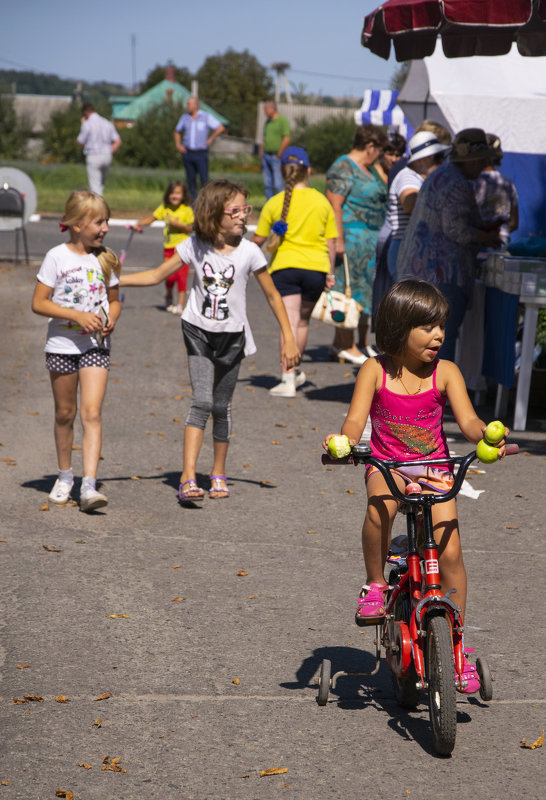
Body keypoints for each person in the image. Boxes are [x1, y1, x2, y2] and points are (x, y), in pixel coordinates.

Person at [323, 279, 508, 694]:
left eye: (441, 326)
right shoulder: (375, 370)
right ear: (398, 328)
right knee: (379, 509)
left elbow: (469, 421)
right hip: (387, 465)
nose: (438, 335)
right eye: (427, 327)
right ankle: (375, 583)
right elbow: (355, 420)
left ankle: (456, 645)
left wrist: (486, 434)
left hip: (433, 469)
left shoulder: (447, 372)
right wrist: (347, 442)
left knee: (451, 551)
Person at [119, 179, 300, 501]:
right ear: (214, 213)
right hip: (198, 332)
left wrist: (288, 337)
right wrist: (115, 279)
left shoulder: (250, 251)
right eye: (236, 210)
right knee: (202, 401)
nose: (244, 215)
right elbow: (157, 275)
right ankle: (188, 476)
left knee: (221, 405)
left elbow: (272, 296)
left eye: (246, 208)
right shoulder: (194, 245)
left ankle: (218, 471)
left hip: (233, 338)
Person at [31, 190, 122, 512]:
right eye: (99, 222)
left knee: (92, 413)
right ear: (77, 224)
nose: (105, 228)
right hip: (62, 345)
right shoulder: (57, 256)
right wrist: (76, 315)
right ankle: (65, 476)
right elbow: (38, 303)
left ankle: (88, 485)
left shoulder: (106, 258)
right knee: (65, 414)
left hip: (96, 346)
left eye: (107, 221)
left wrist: (112, 318)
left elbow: (114, 299)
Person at [397, 128, 502, 361]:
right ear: (473, 160)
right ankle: (434, 394)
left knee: (413, 337)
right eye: (483, 160)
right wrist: (485, 237)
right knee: (439, 338)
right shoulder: (459, 183)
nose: (486, 164)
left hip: (416, 267)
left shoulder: (439, 174)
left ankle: (406, 392)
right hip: (443, 274)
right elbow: (456, 230)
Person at [252, 146, 337, 397]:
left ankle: (287, 378)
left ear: (282, 172)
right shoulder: (322, 201)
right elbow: (331, 243)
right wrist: (330, 274)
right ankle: (295, 370)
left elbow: (258, 238)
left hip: (285, 269)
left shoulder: (274, 202)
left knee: (287, 324)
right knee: (301, 323)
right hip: (316, 269)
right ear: (308, 171)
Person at [326, 124, 388, 364]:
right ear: (370, 146)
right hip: (351, 239)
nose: (380, 155)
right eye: (379, 150)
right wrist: (338, 239)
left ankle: (343, 344)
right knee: (346, 292)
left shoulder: (369, 168)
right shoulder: (343, 167)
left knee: (362, 293)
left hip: (370, 241)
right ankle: (346, 344)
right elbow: (335, 204)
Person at [385, 131, 450, 288]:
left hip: (412, 248)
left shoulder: (419, 178)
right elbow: (409, 203)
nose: (442, 162)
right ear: (424, 159)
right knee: (410, 301)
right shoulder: (408, 176)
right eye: (438, 157)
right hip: (406, 248)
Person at [133, 181, 194, 314]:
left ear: (183, 195)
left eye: (178, 193)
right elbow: (151, 218)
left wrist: (177, 224)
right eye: (172, 193)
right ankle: (169, 295)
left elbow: (191, 228)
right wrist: (138, 224)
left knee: (182, 277)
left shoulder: (187, 210)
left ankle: (180, 305)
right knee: (169, 276)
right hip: (169, 248)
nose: (174, 196)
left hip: (184, 248)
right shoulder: (164, 208)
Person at [174, 97, 226, 201]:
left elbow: (220, 128)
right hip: (188, 153)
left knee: (204, 180)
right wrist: (178, 145)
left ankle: (206, 202)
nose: (187, 106)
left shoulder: (205, 116)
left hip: (201, 153)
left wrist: (210, 139)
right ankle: (193, 203)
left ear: (196, 105)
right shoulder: (184, 118)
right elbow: (177, 131)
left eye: (189, 104)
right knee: (191, 180)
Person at [473, 133, 519, 249]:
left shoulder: (472, 183)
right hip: (501, 239)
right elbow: (514, 223)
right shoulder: (508, 184)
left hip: (477, 240)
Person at [77, 103, 122, 196]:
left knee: (95, 186)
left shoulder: (87, 124)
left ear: (85, 113)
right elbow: (118, 141)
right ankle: (100, 204)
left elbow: (80, 142)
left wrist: (83, 124)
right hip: (107, 155)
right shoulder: (107, 122)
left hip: (94, 155)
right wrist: (110, 150)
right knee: (101, 185)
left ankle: (97, 207)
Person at [259, 101, 291, 199]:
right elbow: (264, 139)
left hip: (276, 156)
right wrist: (260, 155)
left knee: (278, 184)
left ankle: (281, 206)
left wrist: (279, 154)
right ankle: (269, 205)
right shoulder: (267, 122)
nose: (264, 111)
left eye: (265, 109)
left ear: (272, 109)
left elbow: (286, 138)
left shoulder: (282, 121)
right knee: (268, 184)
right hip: (266, 155)